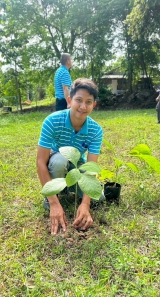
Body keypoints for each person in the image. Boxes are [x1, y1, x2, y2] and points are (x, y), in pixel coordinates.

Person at [37, 78, 103, 235]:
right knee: (60, 161)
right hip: (56, 161)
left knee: (98, 197)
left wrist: (85, 204)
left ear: (94, 104)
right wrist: (54, 203)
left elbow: (91, 168)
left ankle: (68, 187)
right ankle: (53, 194)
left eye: (88, 102)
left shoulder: (95, 130)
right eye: (78, 100)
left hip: (77, 164)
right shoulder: (52, 121)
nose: (83, 106)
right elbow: (40, 162)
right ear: (69, 100)